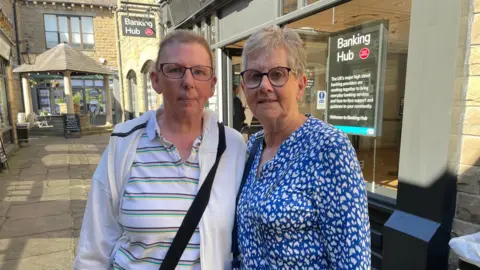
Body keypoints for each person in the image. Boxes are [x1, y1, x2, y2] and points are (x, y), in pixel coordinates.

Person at [74, 30, 247, 269]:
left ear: (212, 85)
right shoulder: (125, 143)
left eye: (199, 72)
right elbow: (94, 247)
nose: (188, 82)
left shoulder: (232, 146)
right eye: (175, 70)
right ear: (156, 80)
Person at [235, 26, 371, 269]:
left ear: (300, 85)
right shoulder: (253, 147)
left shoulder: (329, 148)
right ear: (245, 88)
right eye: (254, 76)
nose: (264, 86)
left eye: (277, 74)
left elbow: (353, 262)